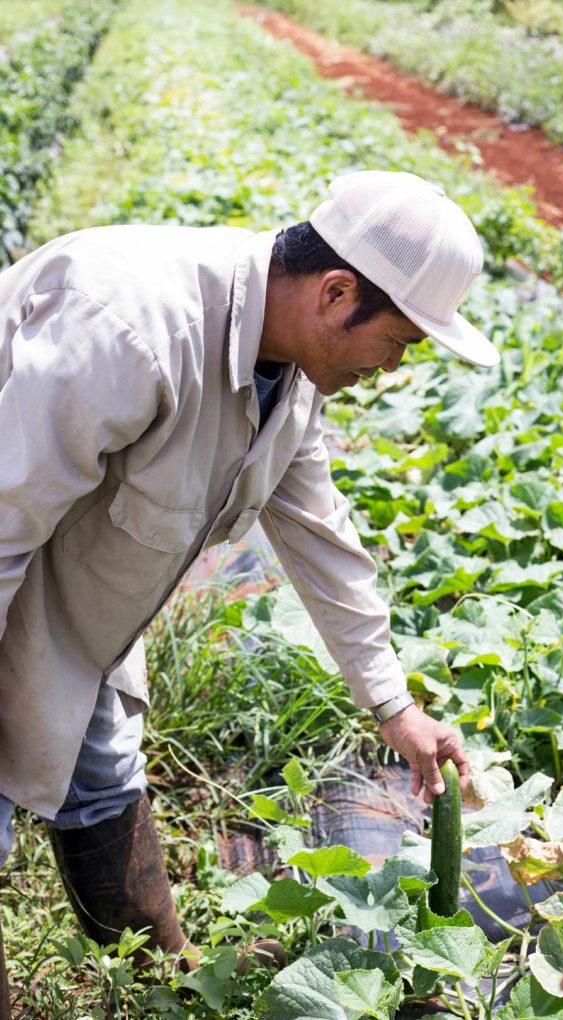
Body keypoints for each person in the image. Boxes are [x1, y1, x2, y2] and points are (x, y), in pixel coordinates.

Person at [0, 169, 499, 1002]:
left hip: (68, 596)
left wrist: (395, 708)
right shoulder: (129, 325)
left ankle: (165, 982)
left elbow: (322, 538)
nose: (396, 366)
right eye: (402, 342)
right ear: (338, 293)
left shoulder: (287, 375)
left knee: (102, 771)